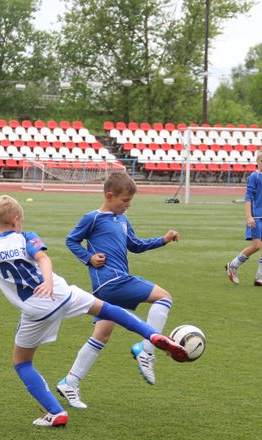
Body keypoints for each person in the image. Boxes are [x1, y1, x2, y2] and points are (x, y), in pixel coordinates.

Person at [0, 195, 189, 428]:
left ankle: (55, 412)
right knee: (110, 310)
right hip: (61, 292)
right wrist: (47, 280)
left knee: (22, 363)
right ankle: (152, 336)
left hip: (35, 311)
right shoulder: (27, 237)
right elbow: (43, 258)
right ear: (17, 220)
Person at [56, 171, 178, 410]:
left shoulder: (122, 220)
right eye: (124, 201)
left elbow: (135, 245)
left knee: (102, 334)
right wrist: (89, 257)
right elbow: (71, 240)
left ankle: (70, 382)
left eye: (130, 201)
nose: (127, 205)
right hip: (112, 281)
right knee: (164, 297)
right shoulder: (92, 218)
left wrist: (162, 240)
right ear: (110, 196)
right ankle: (147, 350)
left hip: (108, 287)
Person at [225, 147, 262, 287]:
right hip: (256, 216)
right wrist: (249, 217)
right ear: (257, 161)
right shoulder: (254, 177)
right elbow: (248, 198)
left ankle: (260, 278)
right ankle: (233, 265)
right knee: (256, 245)